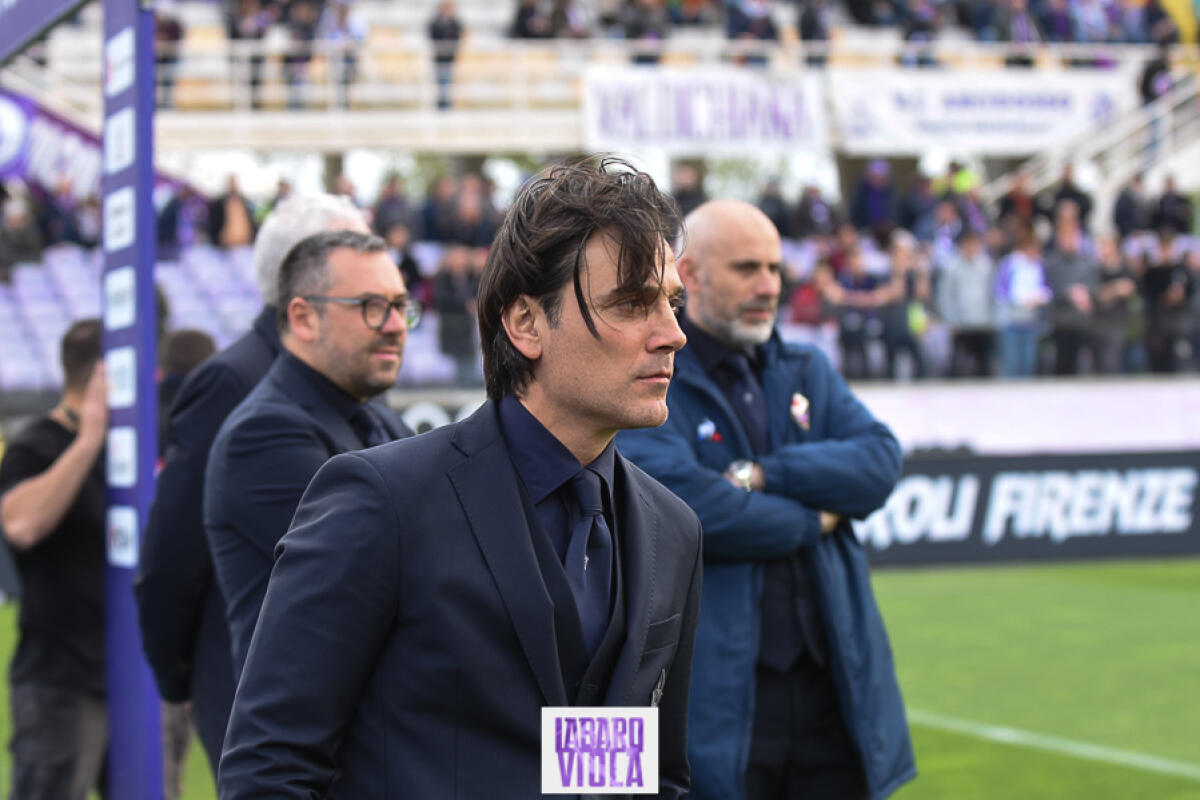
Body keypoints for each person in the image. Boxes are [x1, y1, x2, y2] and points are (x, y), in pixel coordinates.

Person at [218, 158, 703, 797]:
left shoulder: (671, 528)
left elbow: (632, 773)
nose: (672, 335)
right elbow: (272, 768)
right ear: (526, 323)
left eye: (670, 303)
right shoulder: (383, 501)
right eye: (631, 303)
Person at [617, 199, 914, 800]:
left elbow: (879, 463)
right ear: (691, 275)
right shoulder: (652, 374)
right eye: (748, 268)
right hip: (718, 701)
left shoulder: (805, 367)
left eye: (776, 269)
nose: (768, 286)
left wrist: (764, 475)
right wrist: (816, 518)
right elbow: (694, 511)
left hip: (831, 693)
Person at [134, 193, 371, 777]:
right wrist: (177, 679)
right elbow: (172, 549)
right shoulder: (232, 383)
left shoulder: (347, 379)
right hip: (254, 691)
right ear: (305, 280)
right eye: (357, 253)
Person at [206, 230, 415, 678]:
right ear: (303, 318)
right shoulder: (264, 436)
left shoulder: (380, 418)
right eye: (372, 307)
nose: (396, 325)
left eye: (400, 306)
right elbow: (388, 577)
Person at [0, 319, 108, 800]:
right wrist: (86, 442)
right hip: (60, 679)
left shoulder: (124, 447)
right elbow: (20, 525)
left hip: (124, 670)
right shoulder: (38, 444)